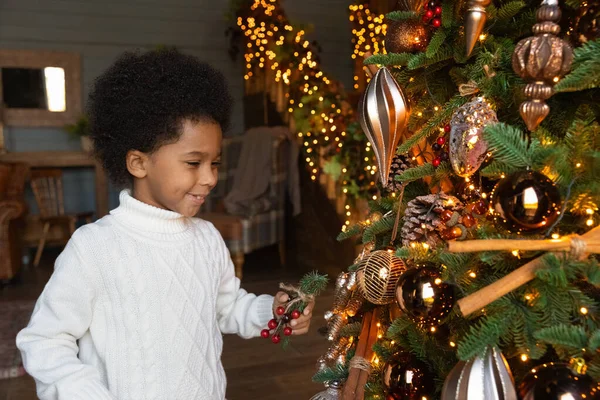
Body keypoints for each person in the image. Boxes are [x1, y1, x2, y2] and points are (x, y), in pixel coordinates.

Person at [16, 49, 314, 400]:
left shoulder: (206, 239)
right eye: (193, 162)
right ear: (139, 163)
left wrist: (272, 311)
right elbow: (44, 340)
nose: (209, 179)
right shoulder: (94, 248)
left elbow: (227, 306)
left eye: (215, 163)